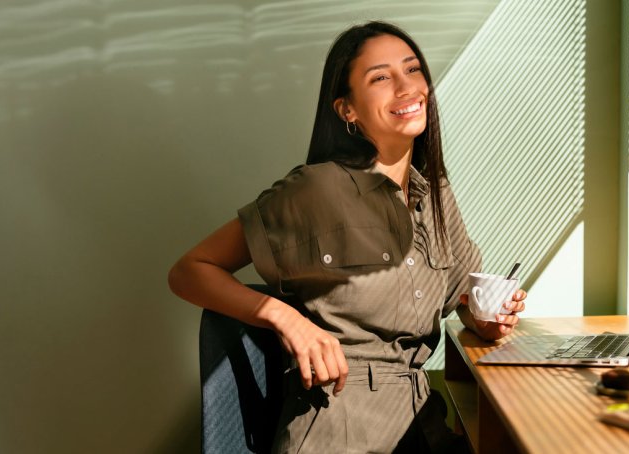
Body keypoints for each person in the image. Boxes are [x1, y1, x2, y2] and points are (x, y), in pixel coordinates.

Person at [168, 21, 527, 453]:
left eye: (412, 70)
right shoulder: (314, 191)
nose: (406, 87)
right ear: (347, 110)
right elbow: (189, 272)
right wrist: (288, 320)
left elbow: (463, 301)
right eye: (380, 78)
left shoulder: (435, 194)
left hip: (422, 426)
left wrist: (487, 319)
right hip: (338, 430)